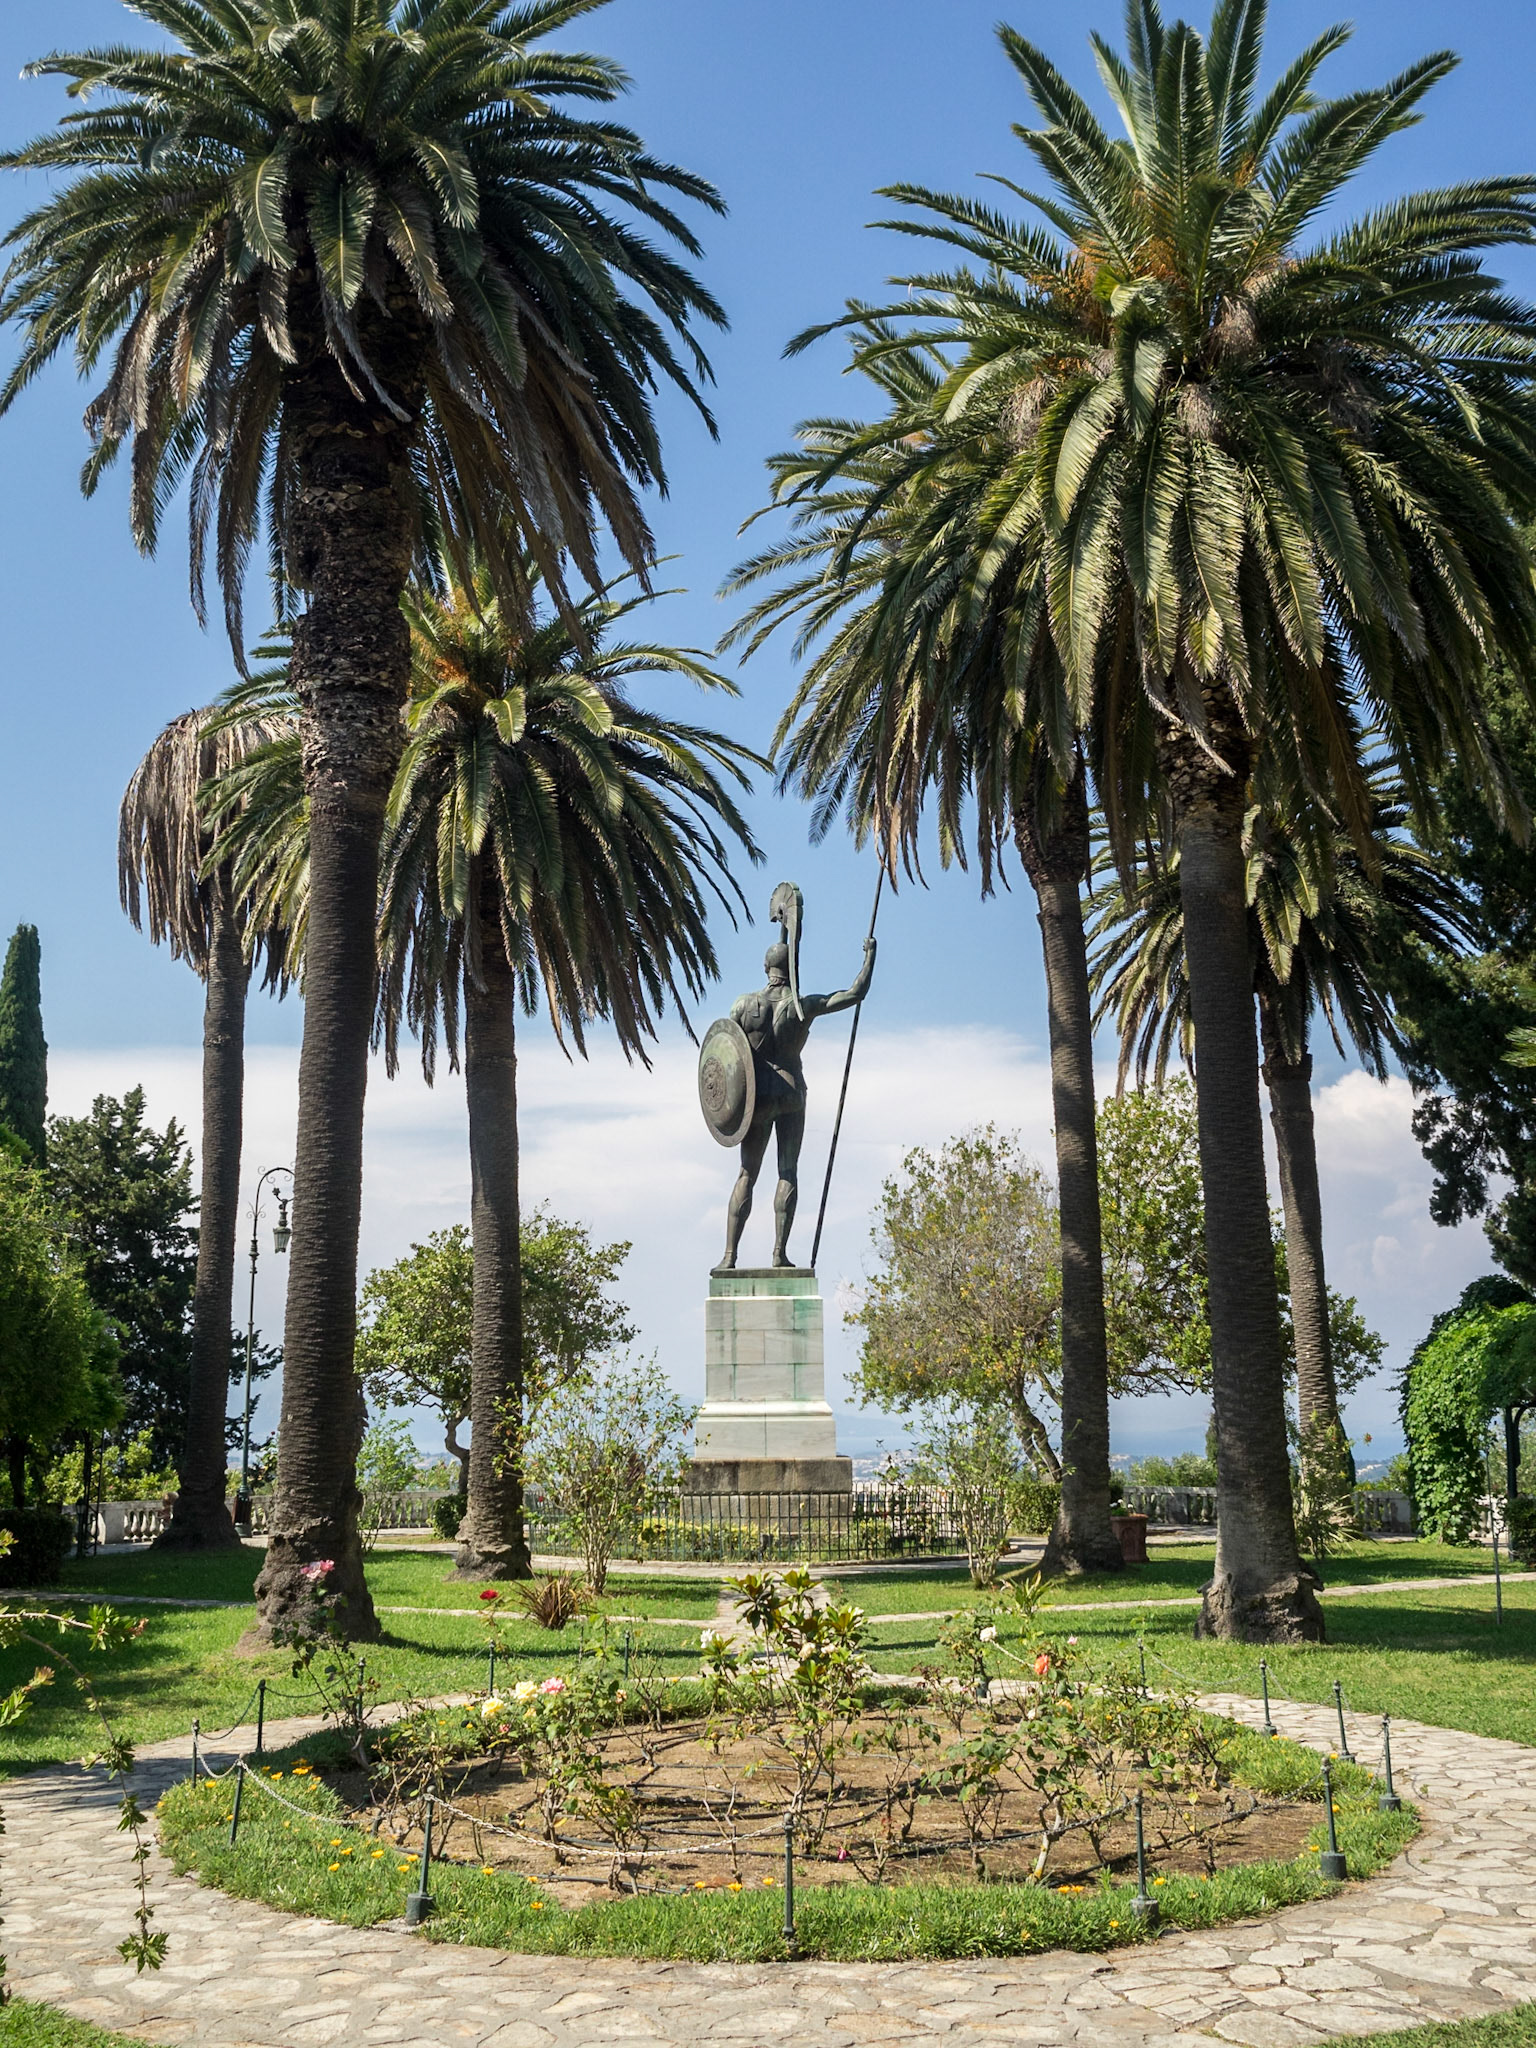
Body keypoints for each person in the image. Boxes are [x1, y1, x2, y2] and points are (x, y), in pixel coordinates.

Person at [720, 883, 875, 1270]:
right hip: (790, 1092)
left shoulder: (744, 1005)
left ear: (765, 968)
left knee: (747, 1173)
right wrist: (870, 957)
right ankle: (779, 1254)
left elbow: (725, 1054)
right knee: (787, 1171)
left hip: (755, 1099)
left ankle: (729, 1256)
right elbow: (854, 993)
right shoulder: (801, 1007)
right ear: (787, 967)